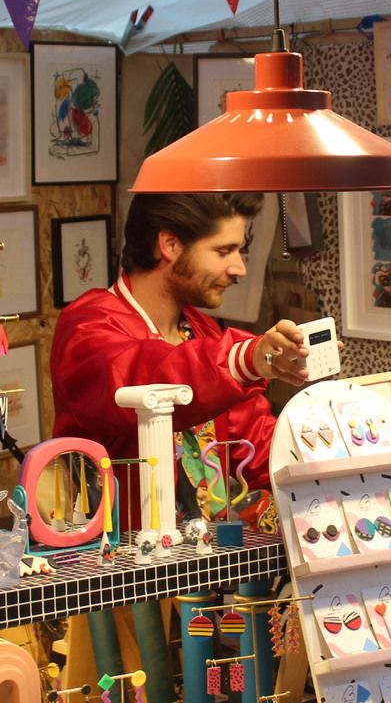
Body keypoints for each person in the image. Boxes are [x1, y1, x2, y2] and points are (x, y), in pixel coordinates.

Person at [50, 192, 310, 524]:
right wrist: (246, 358)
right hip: (124, 564)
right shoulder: (88, 325)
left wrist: (337, 453)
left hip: (206, 562)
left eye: (239, 250)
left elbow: (254, 439)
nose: (239, 268)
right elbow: (146, 378)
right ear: (170, 245)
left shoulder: (202, 330)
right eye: (223, 251)